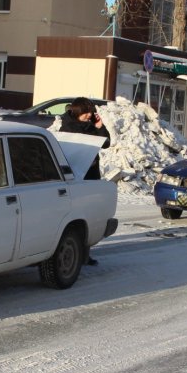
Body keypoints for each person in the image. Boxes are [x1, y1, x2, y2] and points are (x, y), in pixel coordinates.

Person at [59, 97, 110, 266]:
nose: (90, 115)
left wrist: (100, 127)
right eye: (86, 112)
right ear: (77, 112)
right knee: (74, 215)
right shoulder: (67, 127)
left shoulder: (91, 127)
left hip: (91, 174)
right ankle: (72, 252)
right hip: (72, 177)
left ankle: (85, 254)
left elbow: (106, 143)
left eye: (91, 112)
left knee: (88, 214)